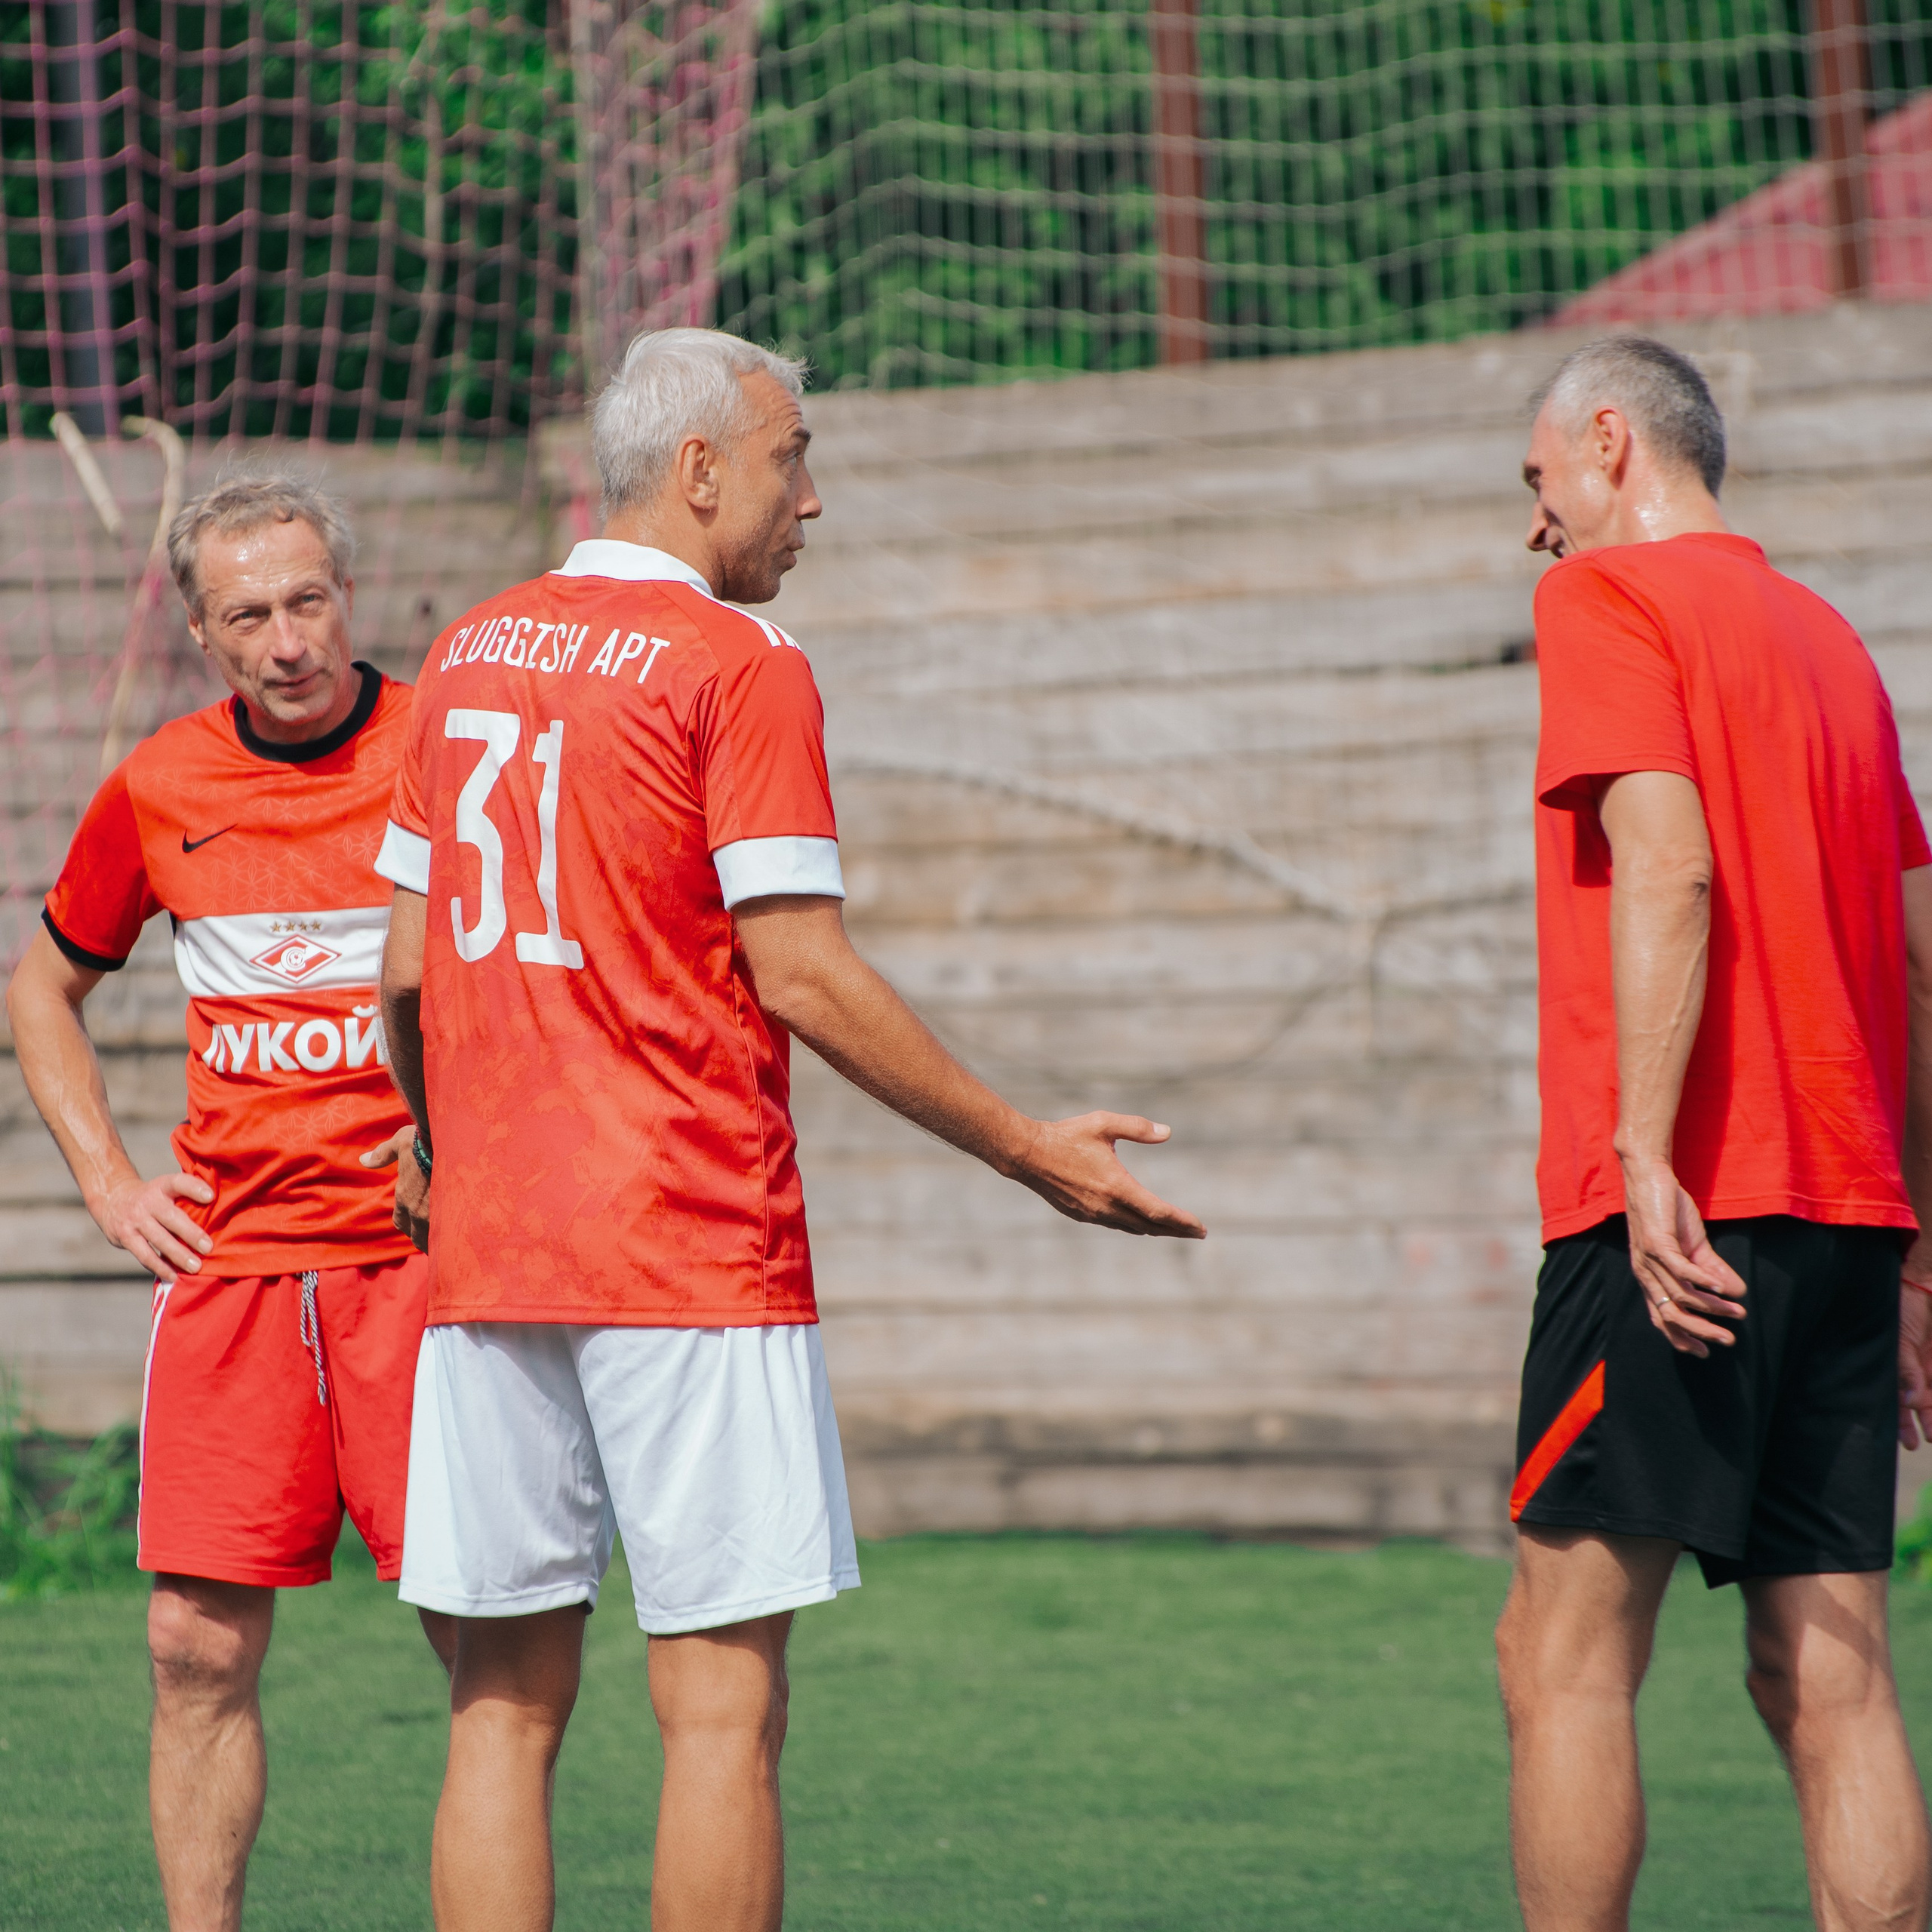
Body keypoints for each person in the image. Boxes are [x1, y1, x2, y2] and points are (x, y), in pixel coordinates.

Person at [373, 325, 1206, 1932]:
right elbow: (803, 972)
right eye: (790, 459)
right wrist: (1028, 1146)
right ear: (697, 470)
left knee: (499, 1707)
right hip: (685, 1237)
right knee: (721, 1714)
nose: (808, 500)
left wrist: (433, 1140)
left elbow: (404, 970)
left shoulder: (466, 650)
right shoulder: (738, 663)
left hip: (492, 1248)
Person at [1495, 334, 1932, 1932]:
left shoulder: (1602, 598)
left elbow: (1668, 866)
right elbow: (1918, 962)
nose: (1534, 524)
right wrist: (1915, 1258)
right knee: (1832, 1672)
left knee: (1560, 1653)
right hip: (1849, 1217)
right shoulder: (1829, 638)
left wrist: (1640, 1155)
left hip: (1681, 1213)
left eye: (1538, 478)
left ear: (1610, 441)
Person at [5, 474, 455, 1932]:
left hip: (421, 1271)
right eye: (249, 614)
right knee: (193, 1649)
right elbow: (41, 989)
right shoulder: (161, 784)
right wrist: (108, 1179)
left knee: (487, 1635)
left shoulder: (448, 748)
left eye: (308, 601)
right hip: (233, 1274)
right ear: (201, 634)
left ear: (348, 597)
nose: (289, 641)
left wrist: (471, 1145)